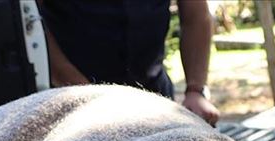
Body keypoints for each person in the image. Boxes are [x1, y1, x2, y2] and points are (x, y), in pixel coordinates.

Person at [37, 0, 220, 126]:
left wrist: (196, 90)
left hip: (154, 97)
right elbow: (31, 22)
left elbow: (196, 16)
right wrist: (85, 95)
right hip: (72, 104)